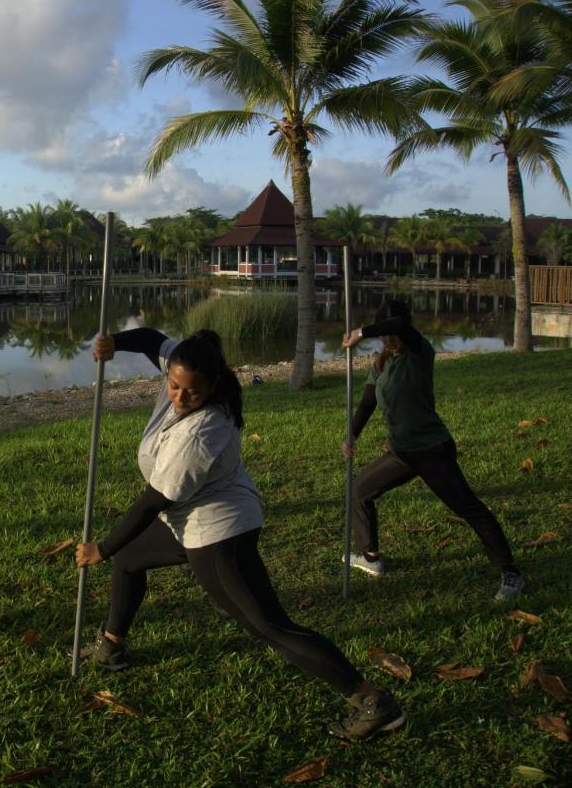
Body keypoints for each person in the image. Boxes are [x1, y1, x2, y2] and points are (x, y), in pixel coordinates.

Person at [74, 328, 404, 741]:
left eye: (191, 392)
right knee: (131, 559)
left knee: (268, 625)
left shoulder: (203, 429)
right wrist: (113, 342)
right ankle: (110, 647)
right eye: (173, 386)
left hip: (218, 532)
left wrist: (101, 549)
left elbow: (151, 502)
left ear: (212, 386)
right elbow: (151, 339)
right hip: (187, 522)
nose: (178, 397)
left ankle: (372, 701)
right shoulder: (184, 365)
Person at [340, 299, 524, 601]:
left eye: (390, 334)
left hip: (431, 451)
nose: (389, 339)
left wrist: (362, 331)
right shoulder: (382, 362)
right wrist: (352, 435)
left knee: (468, 508)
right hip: (400, 452)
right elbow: (367, 402)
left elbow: (399, 326)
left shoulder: (419, 350)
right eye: (385, 336)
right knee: (359, 490)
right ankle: (370, 557)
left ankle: (510, 572)